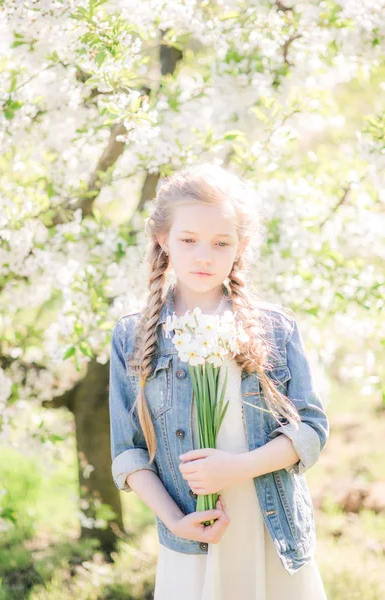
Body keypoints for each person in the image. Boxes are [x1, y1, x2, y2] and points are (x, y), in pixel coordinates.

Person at [108, 162, 329, 599]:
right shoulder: (134, 335)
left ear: (239, 247)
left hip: (269, 525)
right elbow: (128, 452)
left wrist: (236, 467)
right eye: (188, 240)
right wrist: (175, 520)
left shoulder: (273, 328)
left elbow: (311, 431)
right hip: (193, 530)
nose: (204, 256)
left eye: (220, 242)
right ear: (163, 240)